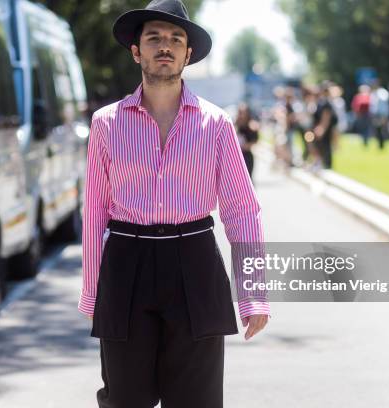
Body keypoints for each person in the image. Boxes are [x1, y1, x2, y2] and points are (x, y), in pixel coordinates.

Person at [78, 1, 270, 406]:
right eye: (154, 38)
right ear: (137, 51)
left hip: (195, 263)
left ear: (188, 54)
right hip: (126, 265)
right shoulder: (105, 124)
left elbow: (242, 212)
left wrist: (253, 293)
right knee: (124, 400)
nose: (164, 46)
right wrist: (93, 291)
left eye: (175, 39)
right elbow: (95, 212)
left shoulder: (215, 124)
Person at [311, 81, 339, 169]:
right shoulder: (322, 101)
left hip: (325, 129)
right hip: (322, 127)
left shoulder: (326, 102)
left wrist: (322, 128)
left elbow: (326, 116)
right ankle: (322, 164)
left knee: (325, 146)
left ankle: (327, 166)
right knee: (321, 146)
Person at [235, 102, 260, 181]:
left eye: (243, 113)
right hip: (237, 156)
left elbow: (255, 140)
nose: (241, 115)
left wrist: (246, 145)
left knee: (248, 179)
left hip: (247, 155)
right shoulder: (236, 124)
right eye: (240, 112)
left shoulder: (251, 125)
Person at [370, 80, 389, 150]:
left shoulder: (382, 92)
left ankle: (382, 144)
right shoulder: (374, 93)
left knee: (382, 129)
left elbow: (384, 105)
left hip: (382, 114)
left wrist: (384, 116)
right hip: (376, 114)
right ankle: (379, 144)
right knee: (377, 129)